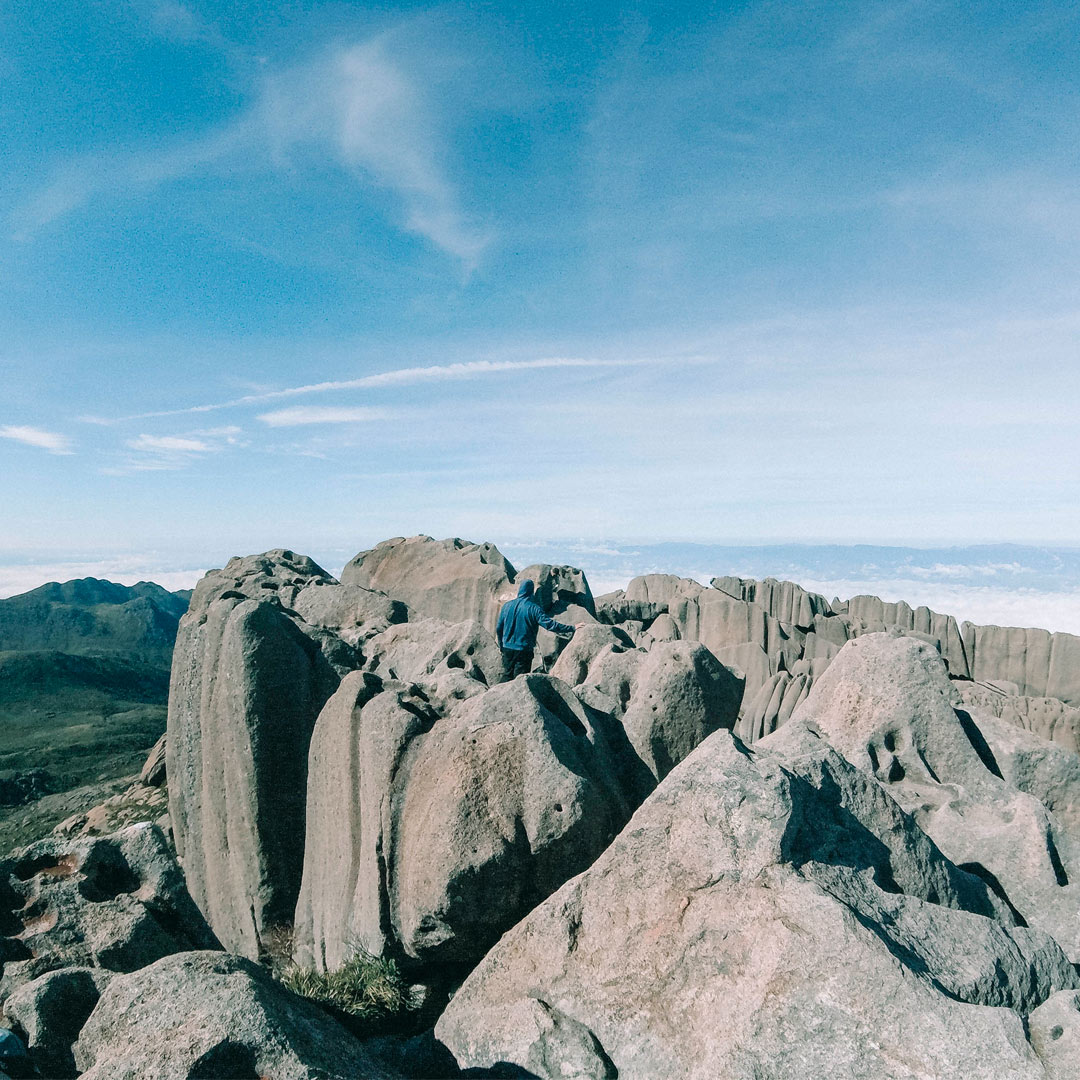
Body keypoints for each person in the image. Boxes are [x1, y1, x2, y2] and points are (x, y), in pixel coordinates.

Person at [495, 579, 575, 682]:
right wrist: (572, 628)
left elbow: (499, 628)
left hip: (507, 649)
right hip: (524, 651)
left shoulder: (506, 606)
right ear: (531, 592)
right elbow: (550, 625)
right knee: (520, 682)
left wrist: (502, 646)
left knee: (506, 677)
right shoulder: (534, 608)